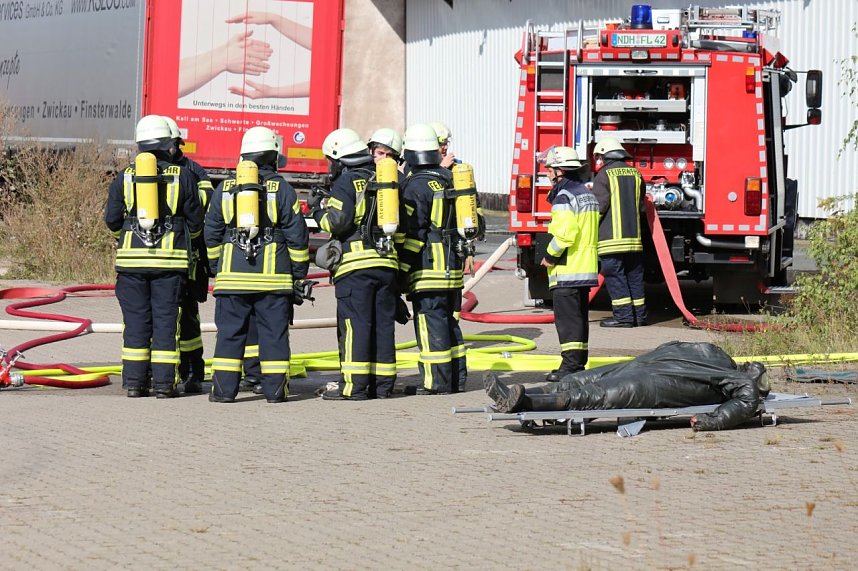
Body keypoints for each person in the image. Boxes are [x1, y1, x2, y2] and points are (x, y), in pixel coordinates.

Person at [204, 126, 310, 403]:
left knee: (229, 336)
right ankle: (275, 393)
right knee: (274, 337)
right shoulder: (283, 190)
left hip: (231, 280)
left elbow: (211, 233)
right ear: (273, 157)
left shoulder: (224, 189)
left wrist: (217, 268)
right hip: (274, 282)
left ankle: (224, 392)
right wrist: (297, 275)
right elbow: (297, 237)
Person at [104, 115, 204, 398]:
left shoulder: (124, 176)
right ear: (168, 146)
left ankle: (135, 384)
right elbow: (196, 221)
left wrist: (126, 238)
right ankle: (163, 385)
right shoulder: (182, 176)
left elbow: (112, 220)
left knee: (135, 325)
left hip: (131, 266)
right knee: (165, 324)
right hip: (170, 266)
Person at [484, 341, 767, 431]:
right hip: (646, 367)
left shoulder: (736, 377)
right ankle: (514, 395)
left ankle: (525, 403)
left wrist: (713, 420)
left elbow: (747, 397)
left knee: (589, 395)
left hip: (656, 384)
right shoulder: (717, 355)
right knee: (578, 380)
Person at [310, 128, 400, 400]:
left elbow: (336, 222)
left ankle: (355, 388)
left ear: (339, 158)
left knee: (355, 326)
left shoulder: (347, 182)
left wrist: (317, 211)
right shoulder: (383, 178)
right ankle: (383, 387)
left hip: (355, 266)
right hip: (386, 265)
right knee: (383, 327)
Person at [397, 123, 467, 394]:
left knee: (429, 325)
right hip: (452, 267)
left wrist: (401, 270)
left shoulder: (415, 187)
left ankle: (435, 383)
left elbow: (414, 234)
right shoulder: (449, 179)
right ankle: (456, 380)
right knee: (450, 325)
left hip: (428, 269)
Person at [538, 146, 600, 382]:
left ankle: (570, 367)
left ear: (559, 171)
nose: (547, 174)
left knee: (568, 322)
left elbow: (565, 235)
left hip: (568, 269)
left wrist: (550, 256)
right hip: (584, 268)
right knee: (579, 319)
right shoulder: (586, 193)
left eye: (549, 169)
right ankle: (576, 364)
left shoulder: (564, 197)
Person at [163, 116, 214, 395]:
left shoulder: (193, 170)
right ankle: (162, 371)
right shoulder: (146, 171)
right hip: (163, 257)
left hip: (190, 258)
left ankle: (194, 371)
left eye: (173, 144)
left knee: (190, 318)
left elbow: (205, 203)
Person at [591, 137, 647, 328]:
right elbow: (641, 207)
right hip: (634, 239)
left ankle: (623, 318)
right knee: (634, 277)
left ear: (605, 154)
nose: (598, 159)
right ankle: (639, 317)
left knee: (615, 277)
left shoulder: (603, 175)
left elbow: (598, 208)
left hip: (611, 241)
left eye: (599, 156)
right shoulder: (636, 173)